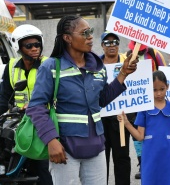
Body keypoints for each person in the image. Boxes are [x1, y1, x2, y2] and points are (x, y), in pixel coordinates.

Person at [25, 15, 138, 185]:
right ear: (67, 38)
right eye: (85, 33)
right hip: (64, 149)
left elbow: (101, 100)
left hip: (97, 148)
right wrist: (51, 140)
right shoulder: (51, 66)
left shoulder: (98, 68)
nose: (90, 36)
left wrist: (123, 74)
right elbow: (36, 107)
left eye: (91, 32)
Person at [0, 24, 53, 184]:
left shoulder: (49, 65)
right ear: (19, 47)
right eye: (29, 46)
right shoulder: (11, 67)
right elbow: (4, 97)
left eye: (37, 44)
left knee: (44, 166)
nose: (35, 48)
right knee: (8, 151)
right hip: (21, 121)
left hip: (45, 121)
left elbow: (57, 94)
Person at [117, 70, 170, 185]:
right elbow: (139, 136)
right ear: (149, 89)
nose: (158, 93)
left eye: (162, 89)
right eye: (154, 90)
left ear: (167, 86)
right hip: (149, 156)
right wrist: (126, 123)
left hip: (169, 155)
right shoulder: (144, 109)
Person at [126, 41, 166, 179]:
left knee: (152, 133)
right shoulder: (127, 56)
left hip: (153, 101)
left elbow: (164, 74)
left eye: (142, 50)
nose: (139, 51)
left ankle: (156, 163)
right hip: (135, 102)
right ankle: (142, 164)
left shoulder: (155, 54)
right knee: (137, 135)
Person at [100, 31, 133, 184]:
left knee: (122, 158)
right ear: (102, 46)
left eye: (115, 42)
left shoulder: (129, 62)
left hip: (121, 119)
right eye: (107, 42)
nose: (111, 45)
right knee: (101, 159)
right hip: (100, 120)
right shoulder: (94, 64)